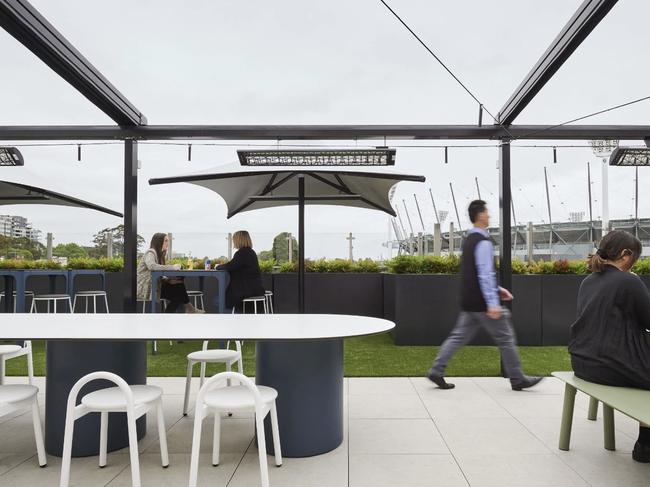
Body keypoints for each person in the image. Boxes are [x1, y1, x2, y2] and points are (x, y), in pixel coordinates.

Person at [427, 199, 542, 391]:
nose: (489, 215)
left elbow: (474, 273)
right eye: (487, 212)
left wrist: (498, 290)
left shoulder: (469, 241)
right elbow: (484, 273)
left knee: (457, 337)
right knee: (505, 338)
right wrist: (493, 303)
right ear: (480, 215)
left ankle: (436, 371)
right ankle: (517, 378)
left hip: (469, 301)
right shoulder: (483, 241)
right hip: (482, 303)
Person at [569, 230, 650, 463]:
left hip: (583, 362)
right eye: (635, 258)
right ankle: (646, 443)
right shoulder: (628, 281)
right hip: (610, 364)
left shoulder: (588, 281)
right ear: (625, 255)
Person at [137, 233, 203, 313]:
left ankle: (182, 311)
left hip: (156, 286)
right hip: (147, 288)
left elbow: (158, 274)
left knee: (178, 288)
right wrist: (173, 267)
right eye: (165, 241)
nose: (167, 243)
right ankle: (189, 309)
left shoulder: (160, 255)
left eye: (168, 241)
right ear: (159, 241)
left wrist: (168, 280)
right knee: (178, 291)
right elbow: (152, 266)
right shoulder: (150, 252)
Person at [216, 230, 265, 312]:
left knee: (219, 301)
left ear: (238, 240)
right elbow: (233, 265)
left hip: (246, 290)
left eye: (234, 240)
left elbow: (230, 266)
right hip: (255, 288)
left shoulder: (242, 253)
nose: (233, 242)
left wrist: (218, 266)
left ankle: (233, 321)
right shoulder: (251, 252)